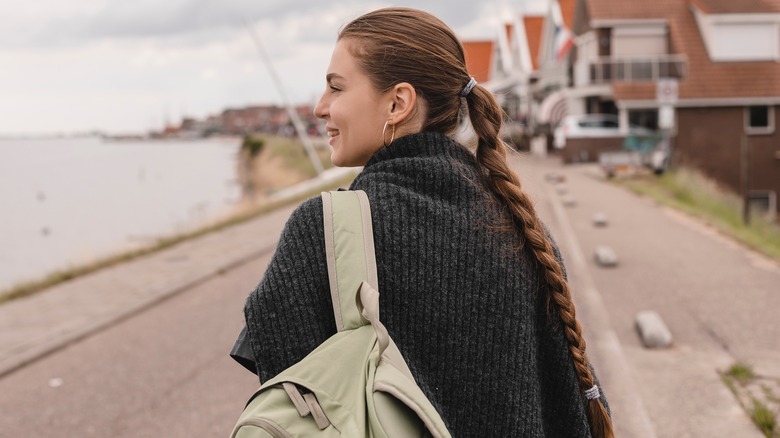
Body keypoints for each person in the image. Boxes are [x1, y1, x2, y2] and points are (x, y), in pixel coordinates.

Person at [232, 7, 613, 437]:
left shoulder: (322, 229)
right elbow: (567, 408)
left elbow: (294, 414)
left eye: (336, 88)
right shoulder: (520, 227)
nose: (320, 107)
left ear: (398, 103)